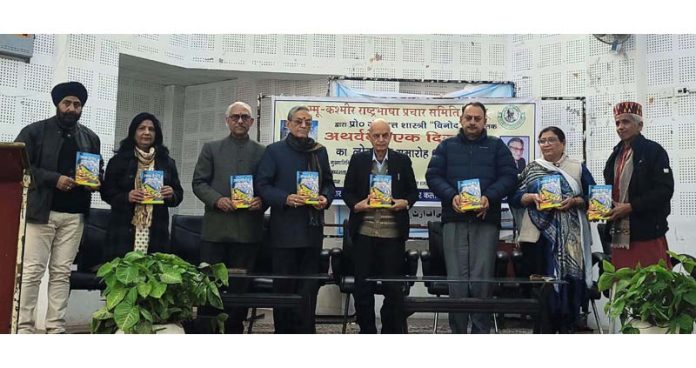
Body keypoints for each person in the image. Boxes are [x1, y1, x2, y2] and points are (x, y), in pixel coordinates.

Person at [14, 81, 101, 333]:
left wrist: (96, 182)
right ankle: (24, 328)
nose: (72, 108)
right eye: (67, 103)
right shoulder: (34, 132)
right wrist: (55, 179)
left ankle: (55, 328)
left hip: (75, 216)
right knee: (32, 272)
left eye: (77, 104)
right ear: (57, 104)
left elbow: (97, 170)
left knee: (62, 273)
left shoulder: (90, 137)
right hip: (40, 213)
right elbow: (20, 166)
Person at [425, 102, 518, 334]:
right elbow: (433, 176)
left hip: (485, 221)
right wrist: (451, 196)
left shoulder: (497, 147)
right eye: (469, 118)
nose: (473, 122)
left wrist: (490, 197)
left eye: (478, 118)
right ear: (461, 119)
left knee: (481, 280)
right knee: (456, 281)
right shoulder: (446, 146)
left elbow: (509, 177)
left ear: (485, 121)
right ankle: (457, 333)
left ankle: (480, 333)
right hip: (454, 220)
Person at [256, 105, 335, 333]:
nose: (303, 125)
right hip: (284, 233)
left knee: (308, 290)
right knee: (284, 289)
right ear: (288, 124)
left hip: (311, 232)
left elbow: (329, 183)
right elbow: (262, 186)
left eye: (308, 122)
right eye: (299, 121)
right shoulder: (274, 151)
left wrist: (325, 198)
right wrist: (286, 198)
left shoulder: (319, 151)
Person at [510, 126, 596, 333]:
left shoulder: (577, 167)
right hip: (539, 238)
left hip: (571, 239)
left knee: (569, 285)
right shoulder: (531, 168)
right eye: (542, 141)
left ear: (563, 143)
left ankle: (568, 326)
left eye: (551, 140)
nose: (546, 144)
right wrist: (530, 197)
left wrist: (575, 200)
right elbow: (513, 197)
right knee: (542, 288)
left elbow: (594, 196)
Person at [192, 101, 266, 333]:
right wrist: (217, 199)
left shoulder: (262, 152)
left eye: (245, 117)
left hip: (247, 232)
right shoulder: (211, 148)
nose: (240, 121)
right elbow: (199, 183)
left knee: (239, 289)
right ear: (227, 120)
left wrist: (261, 201)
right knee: (208, 286)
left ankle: (235, 333)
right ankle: (206, 333)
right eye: (235, 117)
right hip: (216, 231)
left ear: (252, 122)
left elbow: (266, 185)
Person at [342, 118, 418, 334]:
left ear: (390, 136)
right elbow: (347, 192)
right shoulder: (358, 161)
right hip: (364, 233)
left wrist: (405, 202)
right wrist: (357, 205)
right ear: (369, 137)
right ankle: (367, 331)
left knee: (393, 289)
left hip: (392, 235)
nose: (381, 139)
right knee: (362, 288)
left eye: (385, 135)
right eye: (376, 135)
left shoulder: (402, 161)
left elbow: (413, 192)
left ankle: (389, 331)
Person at [101, 112, 183, 258]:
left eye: (151, 129)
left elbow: (179, 194)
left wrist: (172, 194)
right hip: (123, 227)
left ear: (156, 134)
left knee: (153, 275)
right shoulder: (118, 160)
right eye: (141, 128)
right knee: (124, 273)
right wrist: (127, 196)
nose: (146, 132)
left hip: (156, 228)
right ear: (133, 132)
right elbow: (106, 192)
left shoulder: (167, 162)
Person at [603, 101, 674, 269]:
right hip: (619, 234)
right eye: (617, 123)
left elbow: (664, 191)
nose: (620, 127)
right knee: (622, 286)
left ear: (639, 125)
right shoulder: (615, 154)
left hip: (646, 231)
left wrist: (630, 206)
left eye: (626, 122)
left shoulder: (653, 151)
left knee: (649, 286)